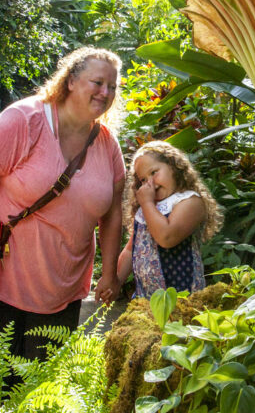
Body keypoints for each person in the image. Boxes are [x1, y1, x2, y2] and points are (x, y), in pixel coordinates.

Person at [0, 47, 125, 367]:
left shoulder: (107, 144)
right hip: (7, 276)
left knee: (38, 387)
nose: (105, 92)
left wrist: (109, 272)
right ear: (70, 81)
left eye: (112, 86)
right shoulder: (23, 121)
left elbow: (111, 214)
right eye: (97, 82)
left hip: (65, 289)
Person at [116, 141, 222, 299]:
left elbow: (166, 237)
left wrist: (147, 203)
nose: (149, 183)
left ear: (174, 167)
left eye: (153, 173)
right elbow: (130, 250)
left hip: (181, 299)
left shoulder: (190, 201)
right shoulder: (147, 209)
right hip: (145, 300)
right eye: (143, 180)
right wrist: (116, 282)